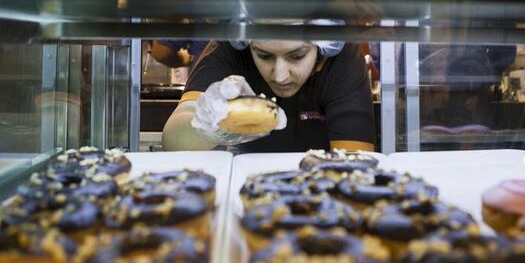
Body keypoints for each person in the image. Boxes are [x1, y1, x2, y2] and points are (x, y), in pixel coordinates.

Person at [161, 37, 376, 153]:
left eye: (297, 56)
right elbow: (172, 141)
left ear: (321, 46)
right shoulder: (229, 47)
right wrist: (210, 125)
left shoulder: (342, 58)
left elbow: (354, 164)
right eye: (264, 56)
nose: (280, 76)